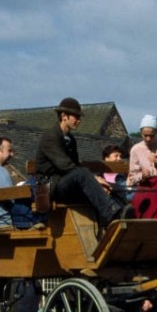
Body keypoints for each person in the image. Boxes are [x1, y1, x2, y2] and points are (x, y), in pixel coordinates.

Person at [35, 97, 122, 227]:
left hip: (67, 183)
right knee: (83, 174)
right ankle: (111, 215)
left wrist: (97, 182)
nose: (79, 120)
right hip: (52, 185)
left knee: (108, 186)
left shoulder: (71, 139)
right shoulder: (50, 136)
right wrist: (94, 178)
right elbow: (65, 165)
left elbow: (75, 165)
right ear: (64, 116)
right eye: (76, 116)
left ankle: (123, 212)